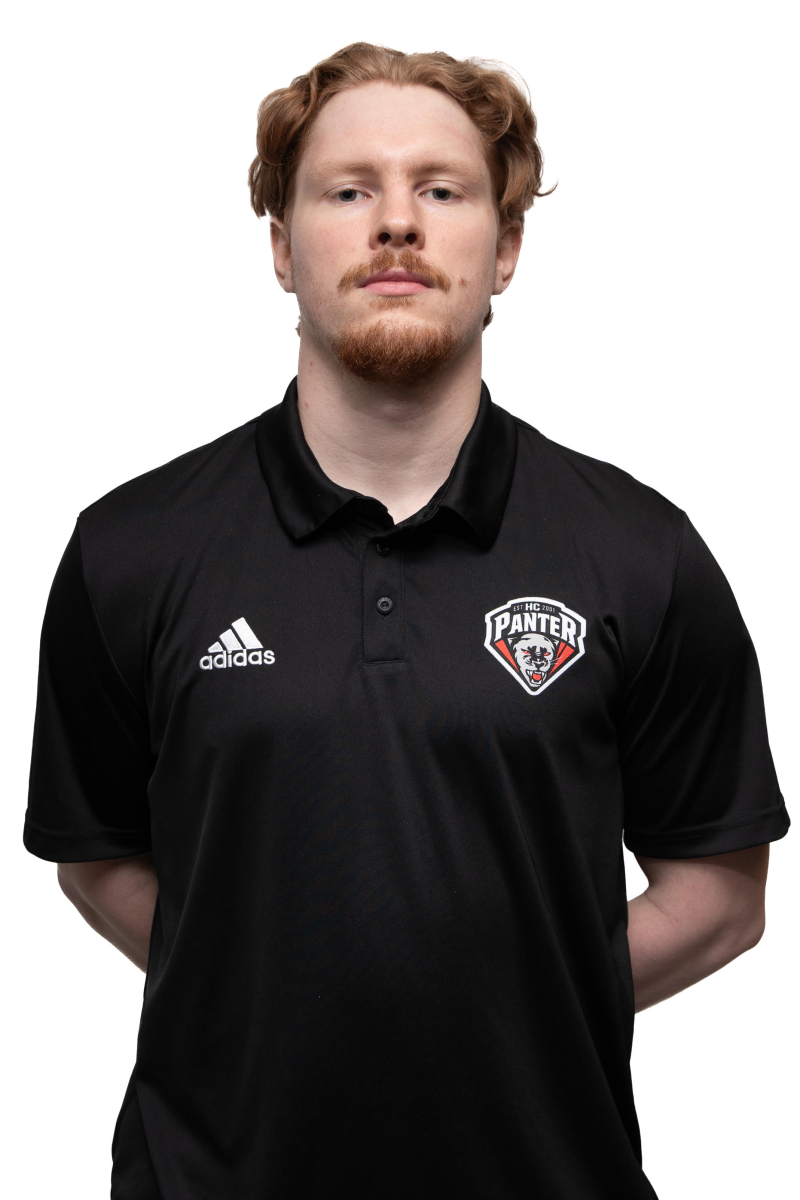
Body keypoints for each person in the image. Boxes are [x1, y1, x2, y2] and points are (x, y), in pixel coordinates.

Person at [23, 42, 789, 1200]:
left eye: (440, 189)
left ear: (505, 246)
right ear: (282, 249)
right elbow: (95, 856)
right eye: (347, 191)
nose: (394, 223)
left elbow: (719, 896)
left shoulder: (641, 555)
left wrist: (506, 1006)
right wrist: (265, 991)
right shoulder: (129, 551)